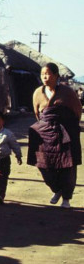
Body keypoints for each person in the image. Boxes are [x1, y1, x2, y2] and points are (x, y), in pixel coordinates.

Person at [28, 63, 82, 209]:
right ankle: (56, 189)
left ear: (56, 75)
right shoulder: (38, 93)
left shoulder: (67, 92)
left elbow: (77, 111)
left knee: (67, 166)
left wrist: (67, 126)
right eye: (42, 74)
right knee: (43, 164)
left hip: (66, 132)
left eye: (48, 73)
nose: (45, 77)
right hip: (46, 132)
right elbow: (37, 114)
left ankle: (66, 198)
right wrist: (46, 127)